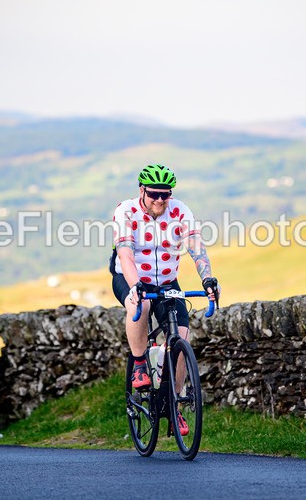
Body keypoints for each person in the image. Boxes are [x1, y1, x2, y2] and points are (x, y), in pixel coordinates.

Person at [109, 164, 219, 435]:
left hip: (167, 281)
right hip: (130, 277)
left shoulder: (180, 211)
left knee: (181, 339)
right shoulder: (126, 211)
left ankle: (174, 404)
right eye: (154, 194)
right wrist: (136, 286)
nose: (160, 200)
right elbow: (125, 254)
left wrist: (208, 279)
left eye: (165, 194)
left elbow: (196, 247)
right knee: (142, 303)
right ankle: (139, 364)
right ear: (142, 191)